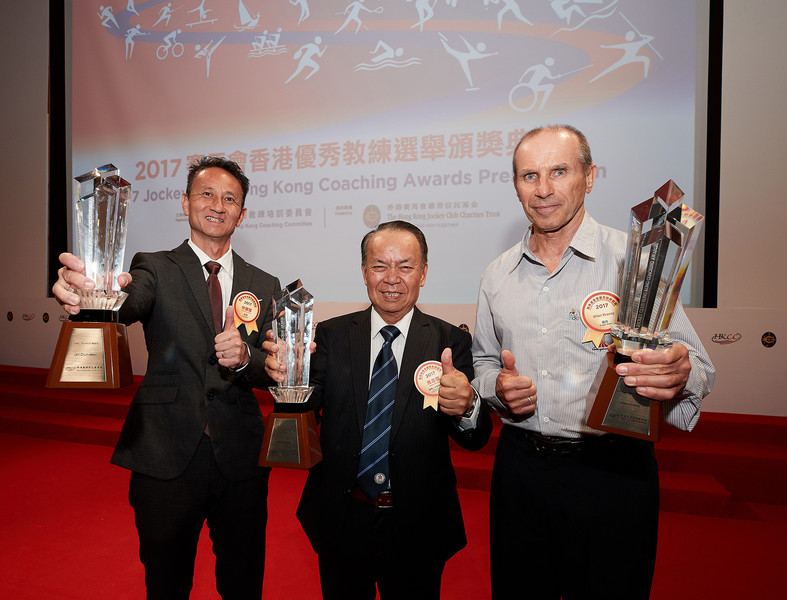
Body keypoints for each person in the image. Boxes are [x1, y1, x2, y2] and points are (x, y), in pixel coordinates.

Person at [472, 125, 715, 599]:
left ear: (589, 176)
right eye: (529, 175)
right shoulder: (496, 275)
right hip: (521, 473)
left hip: (614, 475)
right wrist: (494, 389)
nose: (543, 189)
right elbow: (483, 359)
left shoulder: (636, 259)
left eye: (559, 171)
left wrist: (680, 372)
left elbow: (700, 367)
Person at [53, 156, 280, 599]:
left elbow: (274, 371)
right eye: (207, 194)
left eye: (230, 198)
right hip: (166, 452)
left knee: (243, 579)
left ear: (243, 213)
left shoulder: (264, 283)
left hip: (241, 455)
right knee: (166, 581)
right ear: (185, 202)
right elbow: (128, 300)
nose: (218, 205)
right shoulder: (154, 266)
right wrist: (91, 293)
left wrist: (244, 359)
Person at [264, 220, 492, 599]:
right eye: (379, 266)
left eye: (405, 266)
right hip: (342, 516)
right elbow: (308, 403)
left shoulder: (450, 340)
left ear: (424, 273)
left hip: (417, 521)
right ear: (364, 272)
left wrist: (467, 406)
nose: (391, 279)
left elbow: (475, 437)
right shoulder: (332, 335)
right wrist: (290, 377)